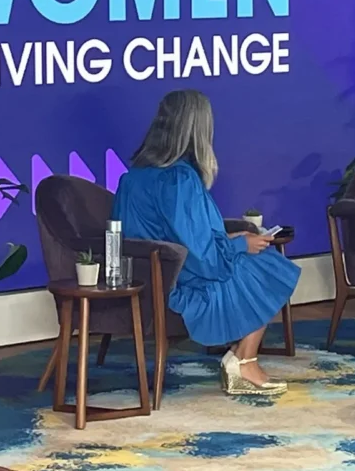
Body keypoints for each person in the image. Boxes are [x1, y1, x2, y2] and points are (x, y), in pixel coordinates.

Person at [112, 90, 300, 395]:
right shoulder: (180, 179)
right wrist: (240, 246)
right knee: (268, 266)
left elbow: (165, 236)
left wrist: (229, 238)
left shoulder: (132, 177)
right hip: (179, 282)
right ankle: (244, 360)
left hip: (149, 275)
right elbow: (201, 256)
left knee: (252, 255)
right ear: (197, 129)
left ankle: (239, 358)